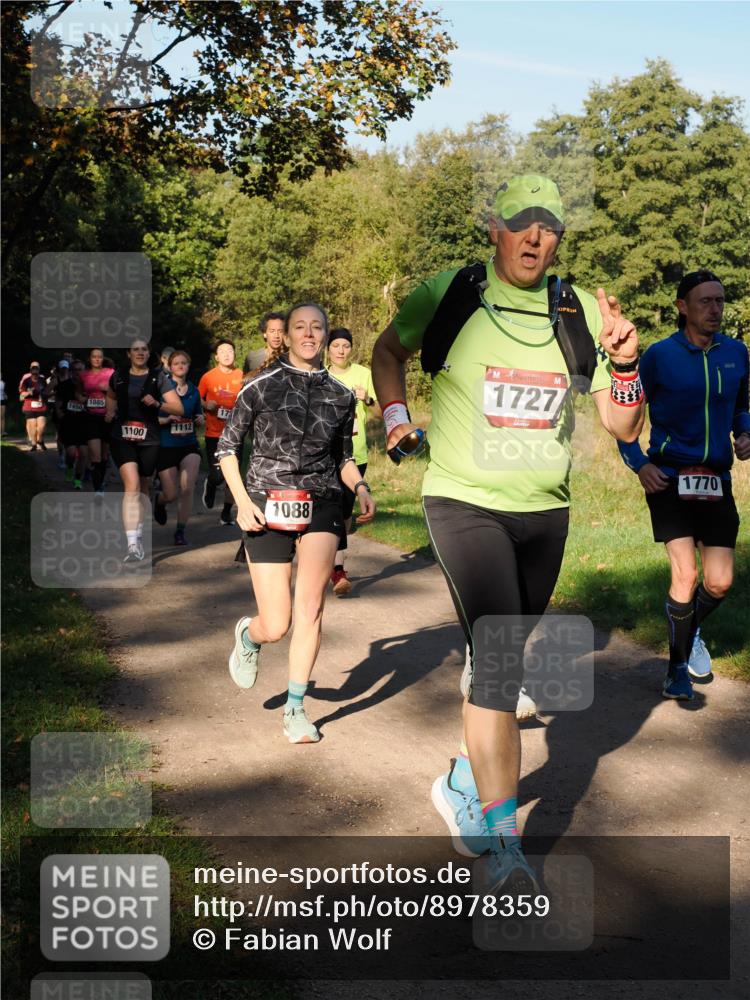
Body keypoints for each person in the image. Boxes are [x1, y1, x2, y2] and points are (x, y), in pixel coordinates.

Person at [371, 174, 644, 890]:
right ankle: (506, 849)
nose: (534, 236)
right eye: (521, 222)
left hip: (545, 511)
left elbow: (623, 426)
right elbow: (386, 353)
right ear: (494, 228)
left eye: (548, 224)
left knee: (502, 660)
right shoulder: (451, 292)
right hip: (463, 501)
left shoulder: (579, 307)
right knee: (496, 663)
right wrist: (396, 415)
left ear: (559, 236)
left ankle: (462, 778)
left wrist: (624, 362)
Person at [216, 302, 376, 744]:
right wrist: (243, 502)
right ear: (285, 336)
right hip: (265, 504)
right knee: (278, 622)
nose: (309, 334)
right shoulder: (259, 386)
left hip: (323, 502)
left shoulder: (341, 395)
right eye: (300, 328)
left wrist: (359, 486)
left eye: (317, 327)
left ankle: (295, 708)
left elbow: (343, 457)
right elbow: (227, 449)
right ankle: (250, 636)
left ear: (326, 336)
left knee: (312, 608)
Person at [618, 270, 749, 700]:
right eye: (705, 301)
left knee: (719, 582)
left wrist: (745, 432)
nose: (715, 309)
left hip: (717, 479)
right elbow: (626, 419)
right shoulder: (659, 356)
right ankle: (676, 669)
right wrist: (639, 464)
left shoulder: (736, 353)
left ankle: (688, 631)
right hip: (670, 478)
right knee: (686, 573)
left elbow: (741, 405)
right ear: (682, 307)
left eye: (720, 301)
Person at [105, 339, 183, 563]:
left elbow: (178, 407)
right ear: (128, 354)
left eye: (144, 349)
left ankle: (137, 533)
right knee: (132, 485)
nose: (140, 353)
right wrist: (110, 412)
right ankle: (132, 544)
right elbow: (111, 395)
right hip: (122, 437)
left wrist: (157, 404)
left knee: (144, 486)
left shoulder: (159, 378)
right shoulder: (118, 375)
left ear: (149, 353)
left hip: (149, 439)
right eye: (135, 349)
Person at [326, 326, 377, 595]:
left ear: (351, 349)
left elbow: (379, 413)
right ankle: (337, 570)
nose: (341, 350)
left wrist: (367, 398)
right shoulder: (321, 376)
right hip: (326, 454)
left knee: (344, 513)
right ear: (328, 350)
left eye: (345, 346)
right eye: (336, 346)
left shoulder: (363, 374)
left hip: (356, 453)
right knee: (331, 510)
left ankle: (335, 560)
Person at [153, 350, 205, 546]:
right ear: (170, 367)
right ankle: (160, 501)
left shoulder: (194, 390)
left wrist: (201, 419)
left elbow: (199, 415)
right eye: (176, 363)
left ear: (188, 366)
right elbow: (151, 419)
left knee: (187, 488)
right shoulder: (163, 389)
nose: (181, 366)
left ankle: (180, 531)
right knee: (171, 494)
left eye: (184, 363)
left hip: (188, 444)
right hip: (166, 446)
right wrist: (166, 419)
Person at [198, 339, 244, 526]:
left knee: (234, 477)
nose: (227, 354)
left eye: (230, 351)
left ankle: (226, 512)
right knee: (219, 475)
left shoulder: (241, 375)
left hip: (236, 433)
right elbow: (196, 398)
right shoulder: (208, 377)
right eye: (222, 351)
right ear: (216, 356)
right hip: (214, 434)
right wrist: (205, 404)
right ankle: (210, 482)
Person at [76, 348, 115, 497]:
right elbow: (78, 391)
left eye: (100, 357)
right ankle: (98, 489)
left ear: (103, 358)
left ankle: (101, 482)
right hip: (91, 417)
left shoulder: (110, 373)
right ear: (90, 359)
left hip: (107, 417)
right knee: (95, 456)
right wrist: (80, 398)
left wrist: (108, 391)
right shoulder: (84, 375)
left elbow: (118, 392)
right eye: (94, 357)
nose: (97, 359)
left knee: (104, 456)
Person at [55, 359, 88, 488]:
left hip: (84, 423)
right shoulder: (64, 385)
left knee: (84, 454)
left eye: (80, 370)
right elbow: (58, 399)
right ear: (71, 371)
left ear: (84, 371)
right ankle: (69, 467)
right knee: (71, 453)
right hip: (68, 423)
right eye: (75, 370)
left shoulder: (88, 386)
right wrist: (58, 412)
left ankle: (78, 480)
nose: (77, 373)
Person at [19, 362, 48, 450]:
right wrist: (28, 393)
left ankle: (40, 439)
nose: (35, 372)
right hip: (29, 405)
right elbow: (21, 393)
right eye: (33, 370)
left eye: (37, 370)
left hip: (40, 405)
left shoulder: (42, 380)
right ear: (31, 371)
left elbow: (46, 391)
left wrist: (48, 395)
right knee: (32, 426)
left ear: (39, 370)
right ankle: (34, 444)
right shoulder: (26, 380)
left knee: (41, 425)